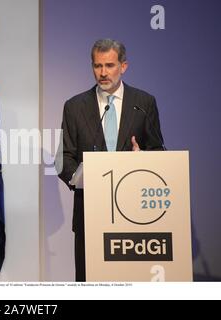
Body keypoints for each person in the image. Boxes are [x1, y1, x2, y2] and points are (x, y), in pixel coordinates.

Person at [56, 38, 165, 281]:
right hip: (90, 211)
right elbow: (64, 157)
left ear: (123, 66)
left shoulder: (144, 103)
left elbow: (158, 150)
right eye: (97, 66)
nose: (103, 73)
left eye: (109, 65)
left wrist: (144, 159)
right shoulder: (74, 107)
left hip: (134, 213)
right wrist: (79, 176)